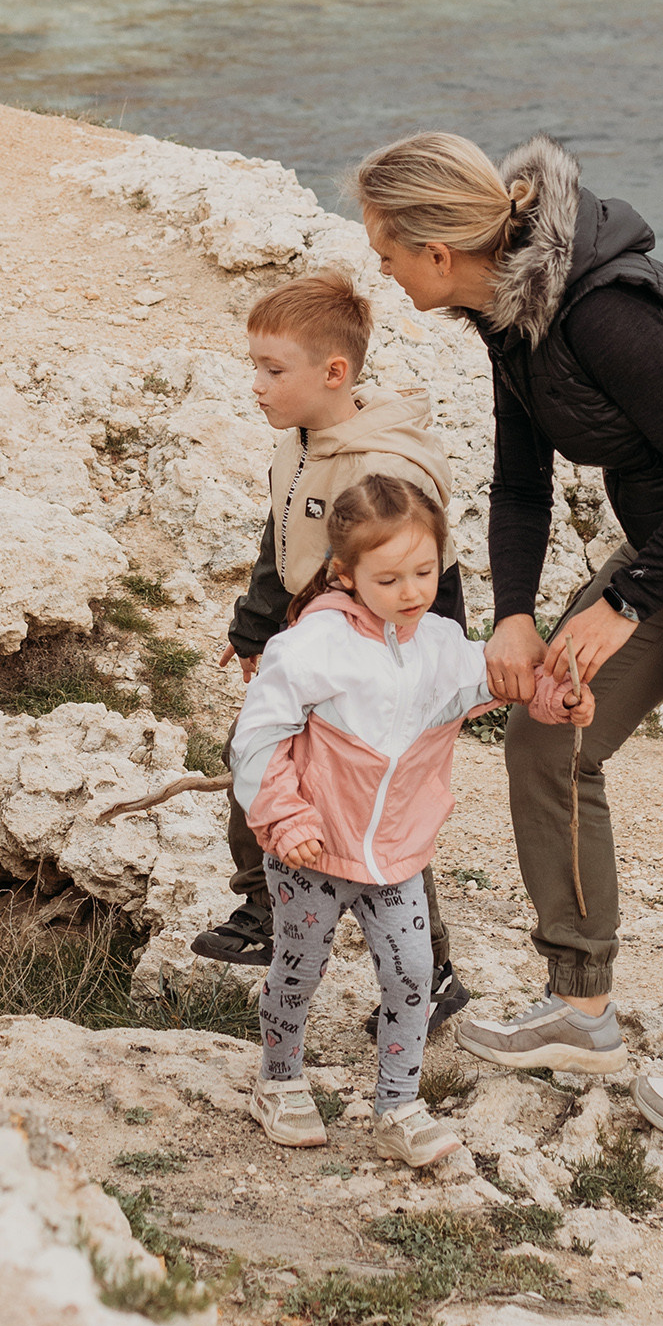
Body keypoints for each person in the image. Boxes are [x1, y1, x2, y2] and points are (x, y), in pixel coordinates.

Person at [354, 131, 663, 1163]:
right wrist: (517, 615)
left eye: (387, 251)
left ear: (439, 252)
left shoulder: (605, 312)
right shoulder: (507, 313)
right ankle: (579, 1008)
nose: (382, 271)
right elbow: (523, 478)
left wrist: (618, 602)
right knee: (545, 737)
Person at [190, 270, 470, 1035]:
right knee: (260, 759)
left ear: (333, 373)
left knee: (373, 812)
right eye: (255, 366)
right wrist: (255, 628)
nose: (256, 385)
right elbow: (281, 538)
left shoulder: (385, 469)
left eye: (272, 370)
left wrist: (416, 683)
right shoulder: (301, 442)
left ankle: (432, 971)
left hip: (371, 666)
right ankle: (268, 907)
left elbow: (430, 580)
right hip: (310, 646)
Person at [230, 474, 525, 1162]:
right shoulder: (312, 648)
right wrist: (283, 817)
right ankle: (277, 1080)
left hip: (397, 857)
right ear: (346, 573)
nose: (412, 591)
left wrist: (547, 691)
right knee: (299, 969)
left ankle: (398, 1103)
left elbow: (488, 681)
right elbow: (256, 738)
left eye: (425, 572)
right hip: (312, 853)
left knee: (413, 974)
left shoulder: (441, 641)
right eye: (389, 578)